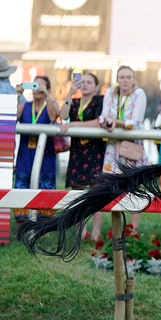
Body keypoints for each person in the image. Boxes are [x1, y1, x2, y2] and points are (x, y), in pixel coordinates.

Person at [100, 65, 148, 230]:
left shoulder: (139, 94)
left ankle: (133, 229)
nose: (125, 81)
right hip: (113, 146)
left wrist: (116, 122)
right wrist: (106, 123)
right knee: (111, 185)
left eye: (128, 77)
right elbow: (103, 115)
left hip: (131, 145)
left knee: (134, 186)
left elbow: (135, 122)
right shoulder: (110, 93)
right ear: (117, 79)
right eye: (122, 77)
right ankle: (115, 228)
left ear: (134, 79)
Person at [60, 72, 106, 241]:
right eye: (82, 82)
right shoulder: (75, 102)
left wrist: (74, 124)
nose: (85, 85)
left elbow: (99, 121)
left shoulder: (100, 101)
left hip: (95, 151)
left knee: (96, 192)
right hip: (77, 152)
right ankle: (81, 231)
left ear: (96, 86)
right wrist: (69, 93)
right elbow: (63, 115)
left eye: (89, 82)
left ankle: (96, 231)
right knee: (78, 193)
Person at [14, 75, 60, 222]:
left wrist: (47, 95)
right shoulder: (24, 106)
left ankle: (44, 223)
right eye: (34, 85)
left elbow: (54, 117)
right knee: (23, 183)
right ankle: (22, 222)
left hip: (45, 153)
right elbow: (10, 117)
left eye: (41, 85)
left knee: (44, 183)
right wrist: (18, 95)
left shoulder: (51, 104)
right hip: (25, 153)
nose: (37, 89)